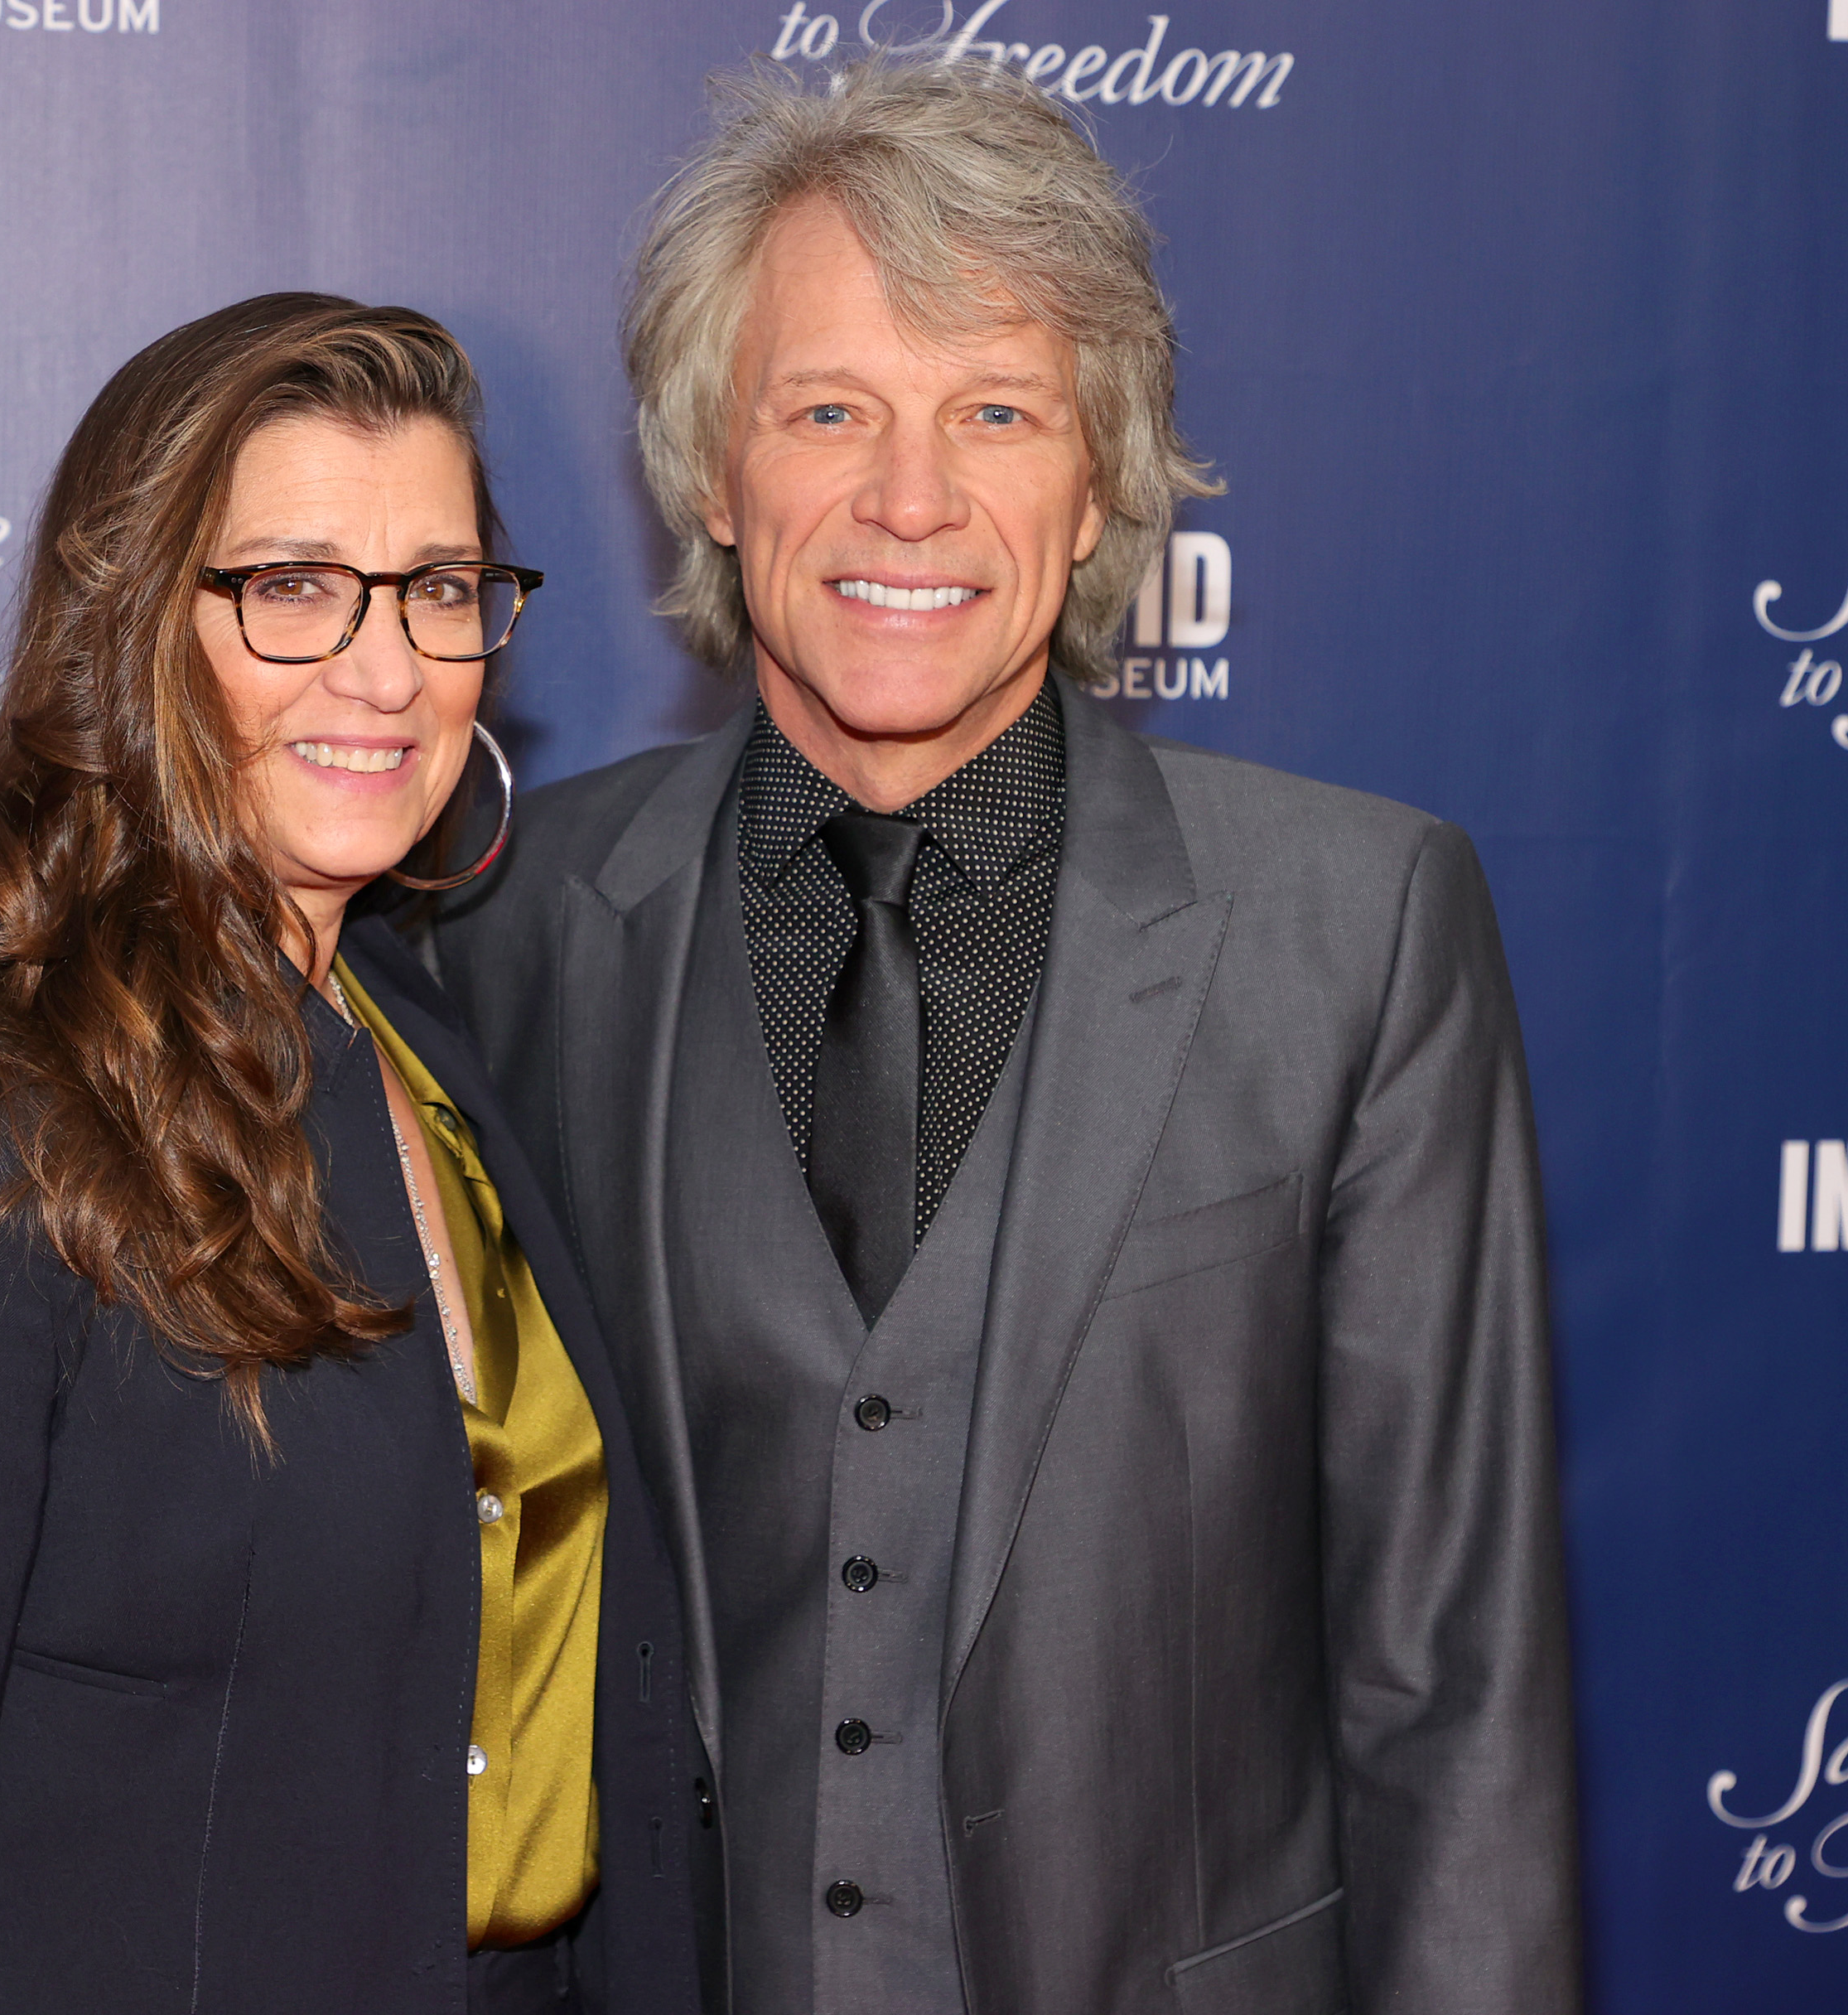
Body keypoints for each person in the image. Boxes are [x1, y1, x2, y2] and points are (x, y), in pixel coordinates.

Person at [436, 57, 1582, 2015]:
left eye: (997, 412)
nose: (911, 496)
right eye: (828, 411)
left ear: (1103, 473)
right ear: (713, 468)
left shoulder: (1359, 933)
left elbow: (1453, 1685)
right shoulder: (514, 925)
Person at [0, 293, 702, 2015]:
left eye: (441, 588)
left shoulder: (435, 1046)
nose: (388, 668)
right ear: (136, 627)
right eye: (295, 587)